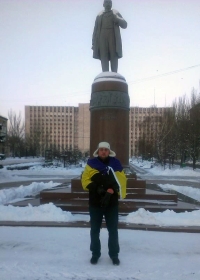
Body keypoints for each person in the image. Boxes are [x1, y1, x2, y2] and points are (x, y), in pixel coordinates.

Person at [81, 142, 126, 265]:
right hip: (95, 202)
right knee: (95, 230)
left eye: (106, 149)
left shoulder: (116, 164)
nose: (103, 151)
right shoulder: (91, 165)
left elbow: (121, 180)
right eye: (101, 149)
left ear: (109, 151)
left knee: (113, 230)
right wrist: (97, 188)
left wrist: (113, 189)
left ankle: (114, 254)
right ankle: (95, 254)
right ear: (98, 151)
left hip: (111, 203)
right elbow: (85, 180)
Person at [92, 0, 127, 73]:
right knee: (103, 55)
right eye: (106, 2)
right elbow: (95, 31)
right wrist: (93, 43)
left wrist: (117, 19)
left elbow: (124, 25)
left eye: (109, 2)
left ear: (111, 4)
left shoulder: (115, 13)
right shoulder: (99, 15)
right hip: (102, 37)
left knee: (113, 54)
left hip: (112, 36)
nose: (108, 3)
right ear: (103, 4)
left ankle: (114, 74)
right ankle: (105, 74)